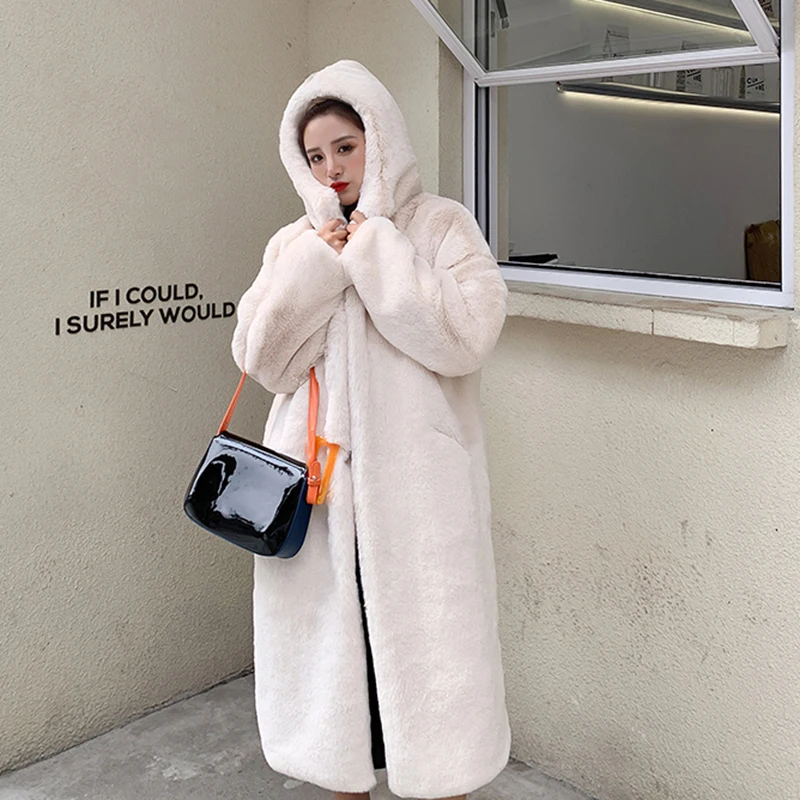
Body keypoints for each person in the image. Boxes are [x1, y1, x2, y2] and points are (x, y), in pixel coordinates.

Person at [231, 60, 510, 800]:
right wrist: (315, 269)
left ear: (379, 140)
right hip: (319, 497)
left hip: (419, 495)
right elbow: (262, 360)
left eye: (346, 147)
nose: (332, 167)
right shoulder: (294, 242)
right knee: (336, 685)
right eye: (316, 154)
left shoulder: (440, 225)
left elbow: (467, 336)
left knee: (433, 681)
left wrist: (373, 251)